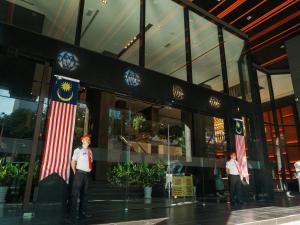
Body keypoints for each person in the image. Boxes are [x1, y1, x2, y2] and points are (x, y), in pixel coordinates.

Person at [71, 134, 93, 219]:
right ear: (82, 140)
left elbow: (90, 162)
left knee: (85, 195)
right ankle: (73, 214)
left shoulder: (90, 151)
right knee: (75, 194)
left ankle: (83, 212)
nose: (88, 140)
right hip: (79, 174)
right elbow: (73, 162)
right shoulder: (78, 150)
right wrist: (75, 172)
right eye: (87, 139)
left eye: (89, 139)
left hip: (87, 175)